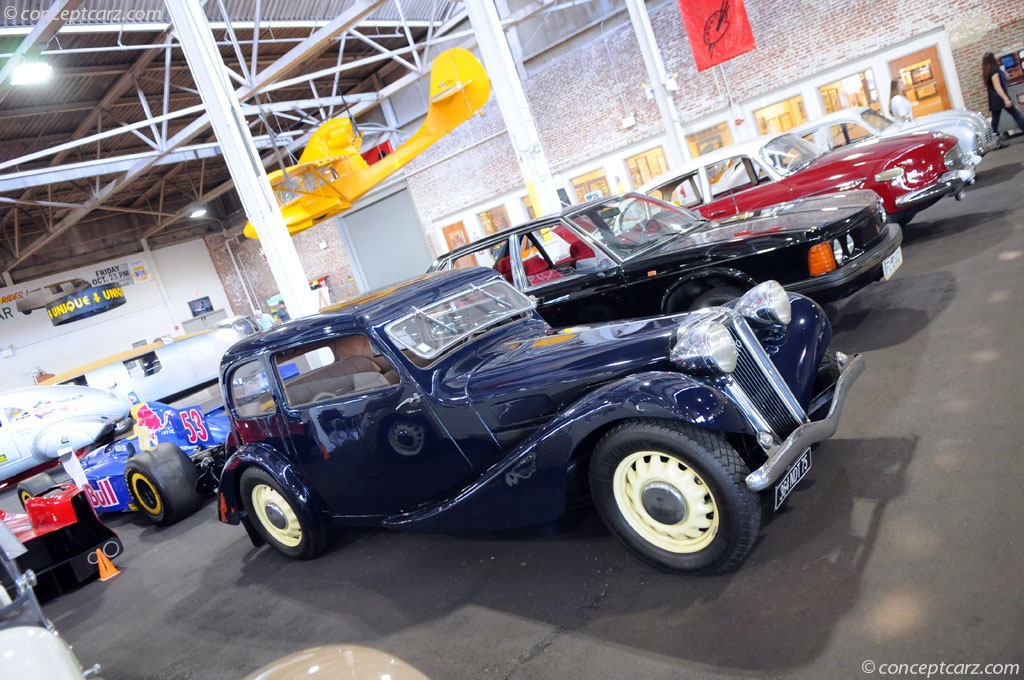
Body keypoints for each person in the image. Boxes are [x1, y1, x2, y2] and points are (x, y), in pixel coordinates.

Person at [983, 52, 1024, 140]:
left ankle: (994, 140)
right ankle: (993, 140)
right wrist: (1005, 99)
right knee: (1016, 115)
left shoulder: (988, 72)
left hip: (994, 99)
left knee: (995, 121)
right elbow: (997, 87)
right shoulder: (994, 71)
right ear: (992, 60)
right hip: (999, 98)